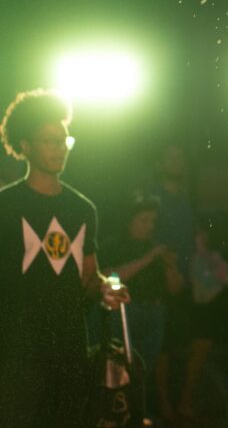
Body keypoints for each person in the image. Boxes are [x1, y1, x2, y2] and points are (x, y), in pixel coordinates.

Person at [0, 89, 128, 426]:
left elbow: (89, 276)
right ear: (25, 145)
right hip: (16, 347)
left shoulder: (82, 209)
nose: (59, 148)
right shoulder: (5, 206)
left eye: (64, 140)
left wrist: (105, 290)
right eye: (50, 141)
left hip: (70, 345)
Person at [102, 201, 185, 397]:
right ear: (130, 221)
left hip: (154, 313)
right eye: (144, 221)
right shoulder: (114, 244)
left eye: (152, 222)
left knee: (145, 369)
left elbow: (175, 289)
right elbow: (108, 276)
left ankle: (139, 412)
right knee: (120, 367)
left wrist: (171, 266)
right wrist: (148, 258)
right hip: (125, 313)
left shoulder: (156, 249)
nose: (150, 226)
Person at [144, 142, 196, 421]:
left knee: (192, 342)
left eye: (181, 157)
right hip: (164, 282)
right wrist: (169, 271)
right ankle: (163, 404)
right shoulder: (155, 197)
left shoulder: (186, 200)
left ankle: (184, 401)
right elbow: (150, 238)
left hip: (187, 283)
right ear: (160, 164)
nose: (178, 162)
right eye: (171, 157)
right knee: (163, 346)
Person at [176, 218, 228, 419]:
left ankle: (200, 401)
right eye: (197, 236)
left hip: (215, 316)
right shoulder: (194, 259)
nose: (200, 239)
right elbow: (200, 294)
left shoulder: (213, 257)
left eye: (203, 235)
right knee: (196, 359)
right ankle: (185, 402)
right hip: (201, 315)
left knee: (206, 360)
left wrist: (213, 262)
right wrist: (215, 275)